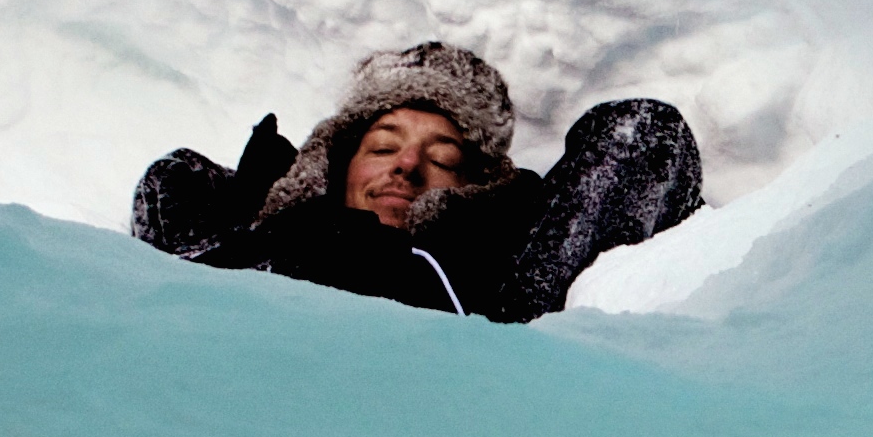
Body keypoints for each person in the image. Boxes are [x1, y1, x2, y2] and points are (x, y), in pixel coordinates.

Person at [131, 41, 703, 323]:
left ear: (474, 185)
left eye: (442, 156)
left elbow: (645, 135)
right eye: (383, 146)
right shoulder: (247, 233)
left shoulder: (509, 272)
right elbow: (171, 189)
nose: (405, 165)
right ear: (335, 163)